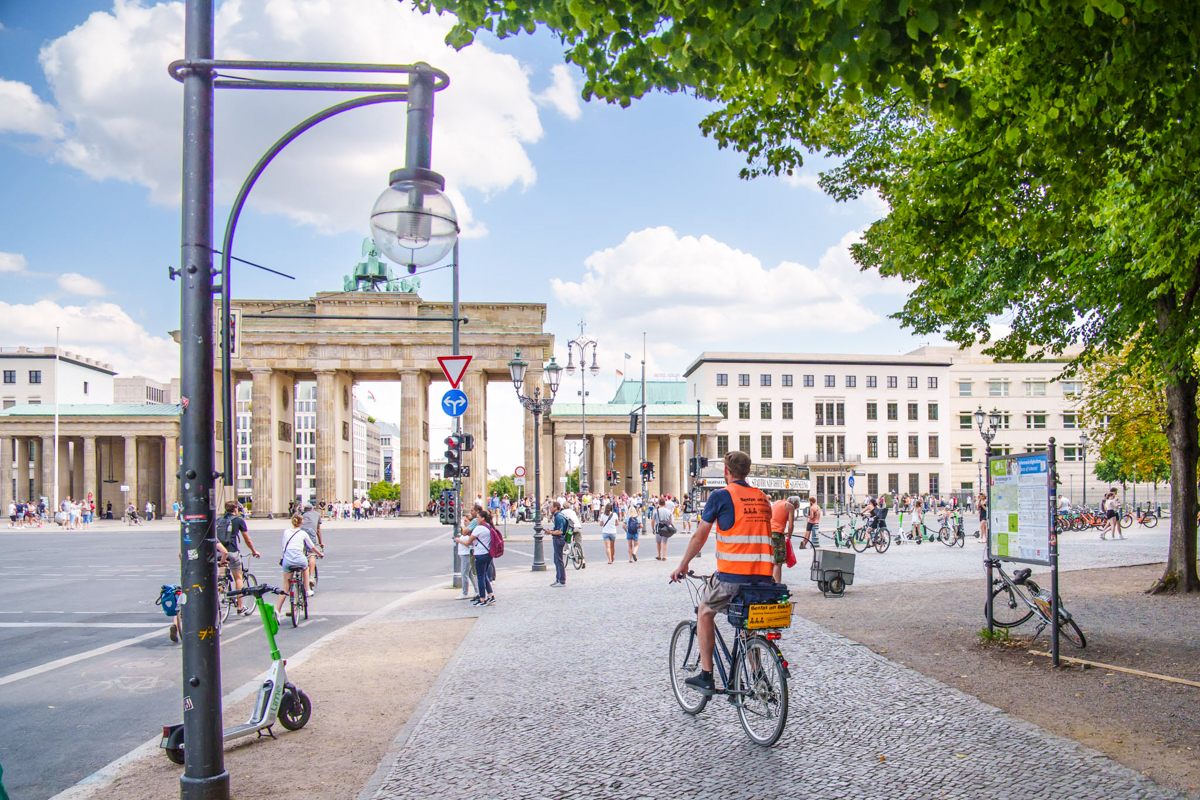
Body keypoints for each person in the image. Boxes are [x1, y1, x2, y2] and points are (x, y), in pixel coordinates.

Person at [670, 451, 774, 695]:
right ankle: (758, 674)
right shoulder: (762, 498)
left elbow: (700, 536)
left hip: (733, 577)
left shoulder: (721, 496)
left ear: (726, 471)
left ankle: (706, 675)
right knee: (748, 625)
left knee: (705, 612)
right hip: (763, 579)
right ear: (748, 472)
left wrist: (683, 564)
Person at [216, 500, 261, 615]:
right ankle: (240, 607)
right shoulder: (238, 520)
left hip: (218, 552)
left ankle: (221, 584)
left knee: (222, 567)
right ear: (236, 510)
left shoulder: (219, 520)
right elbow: (247, 539)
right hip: (231, 551)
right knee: (238, 578)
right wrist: (253, 551)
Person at [276, 513, 322, 613]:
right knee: (305, 567)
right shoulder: (303, 533)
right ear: (302, 522)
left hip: (287, 560)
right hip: (299, 559)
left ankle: (277, 610)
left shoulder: (286, 532)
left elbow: (284, 546)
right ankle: (307, 589)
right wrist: (320, 553)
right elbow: (312, 547)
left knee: (285, 586)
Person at [456, 507, 496, 606]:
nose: (476, 519)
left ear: (482, 518)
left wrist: (459, 541)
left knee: (480, 576)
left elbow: (469, 542)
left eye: (478, 517)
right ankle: (491, 595)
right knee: (484, 575)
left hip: (480, 554)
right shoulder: (488, 526)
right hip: (488, 553)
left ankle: (483, 598)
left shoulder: (478, 528)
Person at [769, 495, 798, 582]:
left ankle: (769, 582)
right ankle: (777, 583)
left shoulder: (777, 502)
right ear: (795, 503)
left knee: (771, 559)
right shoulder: (790, 506)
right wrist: (789, 535)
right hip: (777, 535)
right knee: (778, 561)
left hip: (768, 532)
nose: (795, 509)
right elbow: (791, 525)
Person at [299, 503, 324, 592]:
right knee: (311, 554)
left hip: (301, 532)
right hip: (311, 532)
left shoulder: (302, 515)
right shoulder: (317, 514)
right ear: (312, 508)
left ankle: (300, 570)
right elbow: (318, 530)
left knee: (302, 551)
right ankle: (311, 576)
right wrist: (320, 543)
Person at [456, 506, 479, 600]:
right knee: (469, 574)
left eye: (466, 521)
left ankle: (465, 593)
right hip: (464, 554)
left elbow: (469, 544)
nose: (464, 523)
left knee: (464, 573)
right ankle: (476, 590)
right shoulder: (466, 532)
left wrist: (459, 540)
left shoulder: (469, 533)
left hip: (466, 554)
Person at [549, 500, 569, 587]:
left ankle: (562, 580)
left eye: (551, 507)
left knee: (559, 560)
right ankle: (558, 579)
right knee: (556, 560)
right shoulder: (557, 516)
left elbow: (560, 531)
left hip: (559, 539)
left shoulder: (559, 517)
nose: (550, 509)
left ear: (555, 508)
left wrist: (551, 532)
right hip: (557, 539)